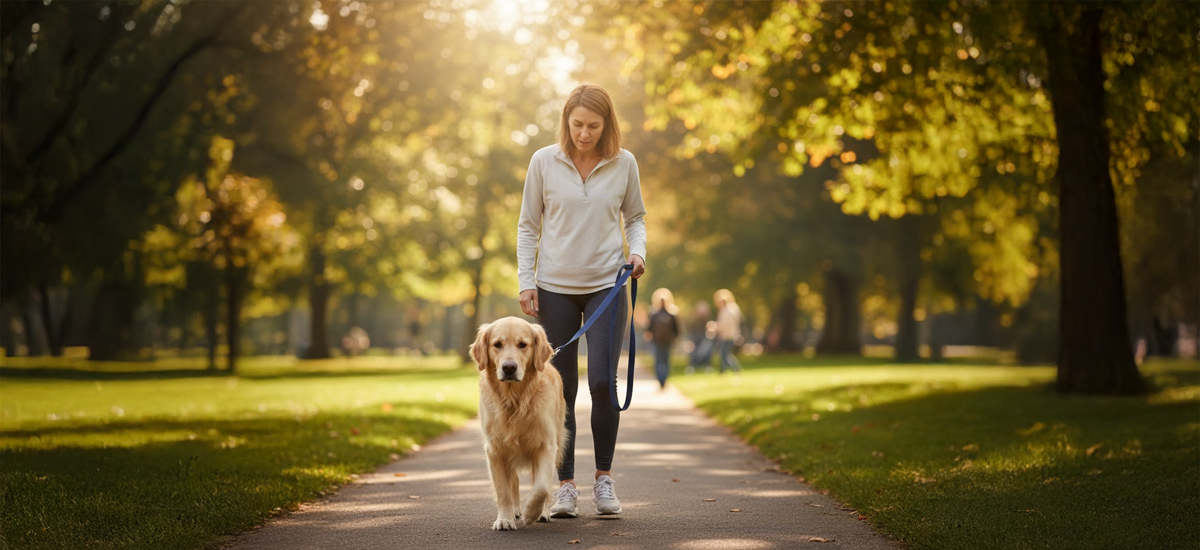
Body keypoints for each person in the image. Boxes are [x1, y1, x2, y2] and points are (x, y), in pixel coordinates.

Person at [516, 83, 647, 519]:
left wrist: (638, 252)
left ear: (606, 124)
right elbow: (528, 226)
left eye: (593, 126)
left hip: (607, 286)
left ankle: (604, 479)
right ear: (566, 121)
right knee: (560, 390)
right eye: (576, 125)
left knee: (601, 385)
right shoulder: (543, 161)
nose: (584, 134)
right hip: (553, 288)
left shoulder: (623, 162)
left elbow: (637, 217)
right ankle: (566, 485)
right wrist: (526, 280)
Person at [645, 288, 679, 389]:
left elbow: (676, 327)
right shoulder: (653, 313)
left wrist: (676, 337)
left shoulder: (672, 313)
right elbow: (649, 326)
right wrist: (648, 334)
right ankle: (660, 380)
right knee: (658, 361)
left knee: (666, 361)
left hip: (668, 341)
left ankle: (664, 380)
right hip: (656, 341)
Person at [713, 289, 743, 374]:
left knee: (725, 355)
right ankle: (723, 371)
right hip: (728, 335)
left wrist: (715, 327)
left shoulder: (729, 310)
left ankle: (736, 369)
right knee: (724, 354)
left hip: (729, 335)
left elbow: (725, 324)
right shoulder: (730, 309)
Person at [687, 301, 712, 373]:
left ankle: (706, 365)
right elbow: (691, 330)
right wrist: (690, 340)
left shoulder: (707, 319)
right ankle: (693, 366)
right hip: (695, 339)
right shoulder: (693, 320)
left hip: (704, 338)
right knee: (694, 353)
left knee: (705, 352)